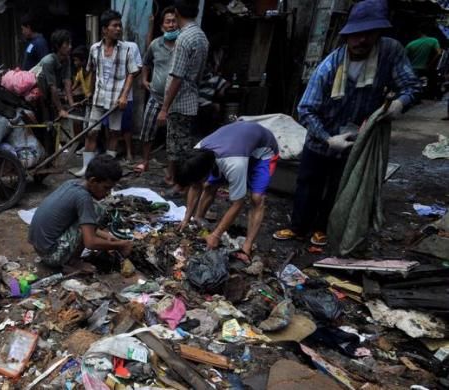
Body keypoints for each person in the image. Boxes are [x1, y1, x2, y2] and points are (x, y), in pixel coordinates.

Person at [273, 0, 419, 246]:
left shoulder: (390, 53)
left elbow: (411, 85)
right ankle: (298, 227)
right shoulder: (329, 67)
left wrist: (400, 103)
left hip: (358, 136)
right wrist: (328, 138)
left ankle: (323, 227)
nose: (362, 40)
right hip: (323, 136)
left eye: (369, 34)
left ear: (378, 34)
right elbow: (306, 109)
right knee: (308, 183)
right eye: (357, 35)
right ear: (348, 35)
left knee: (339, 186)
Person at [175, 122, 279, 262]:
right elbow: (196, 186)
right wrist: (187, 218)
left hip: (263, 152)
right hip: (234, 147)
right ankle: (197, 223)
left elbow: (238, 203)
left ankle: (246, 247)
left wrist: (216, 235)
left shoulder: (234, 164)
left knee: (256, 198)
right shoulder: (199, 152)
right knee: (209, 186)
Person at [29, 155, 133, 268]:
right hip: (52, 256)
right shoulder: (84, 198)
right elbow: (90, 242)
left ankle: (71, 259)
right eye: (106, 188)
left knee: (90, 213)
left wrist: (105, 235)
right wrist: (120, 245)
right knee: (98, 209)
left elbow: (78, 223)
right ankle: (73, 262)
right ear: (93, 181)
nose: (108, 193)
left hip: (40, 249)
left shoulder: (72, 183)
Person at [72, 9, 140, 177]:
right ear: (104, 29)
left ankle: (107, 170)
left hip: (117, 99)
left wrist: (124, 95)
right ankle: (86, 168)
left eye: (120, 26)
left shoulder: (127, 49)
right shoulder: (95, 49)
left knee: (114, 133)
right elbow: (93, 71)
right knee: (91, 132)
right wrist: (90, 92)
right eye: (114, 26)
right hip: (99, 98)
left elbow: (132, 73)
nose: (119, 29)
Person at [156, 0, 208, 185]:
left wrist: (164, 108)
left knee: (178, 149)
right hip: (191, 98)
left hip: (180, 102)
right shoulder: (201, 36)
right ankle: (178, 181)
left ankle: (180, 184)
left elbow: (177, 77)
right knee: (182, 145)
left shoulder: (184, 38)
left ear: (177, 13)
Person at [135, 6, 178, 174]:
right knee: (147, 131)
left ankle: (171, 170)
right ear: (162, 26)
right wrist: (145, 80)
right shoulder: (155, 44)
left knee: (173, 137)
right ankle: (145, 161)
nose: (171, 25)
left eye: (174, 21)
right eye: (168, 21)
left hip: (176, 100)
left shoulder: (183, 45)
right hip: (156, 97)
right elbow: (146, 62)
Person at [36, 29, 75, 119]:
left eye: (70, 43)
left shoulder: (66, 59)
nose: (70, 47)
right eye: (67, 44)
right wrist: (60, 110)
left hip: (49, 94)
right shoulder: (48, 61)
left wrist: (71, 103)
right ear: (58, 46)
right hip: (39, 94)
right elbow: (52, 87)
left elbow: (67, 81)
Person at [405, 26, 442, 99]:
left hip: (412, 69)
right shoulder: (433, 40)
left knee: (411, 85)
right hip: (425, 68)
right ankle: (432, 95)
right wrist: (430, 64)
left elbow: (403, 57)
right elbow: (439, 53)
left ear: (418, 32)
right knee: (434, 79)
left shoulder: (411, 44)